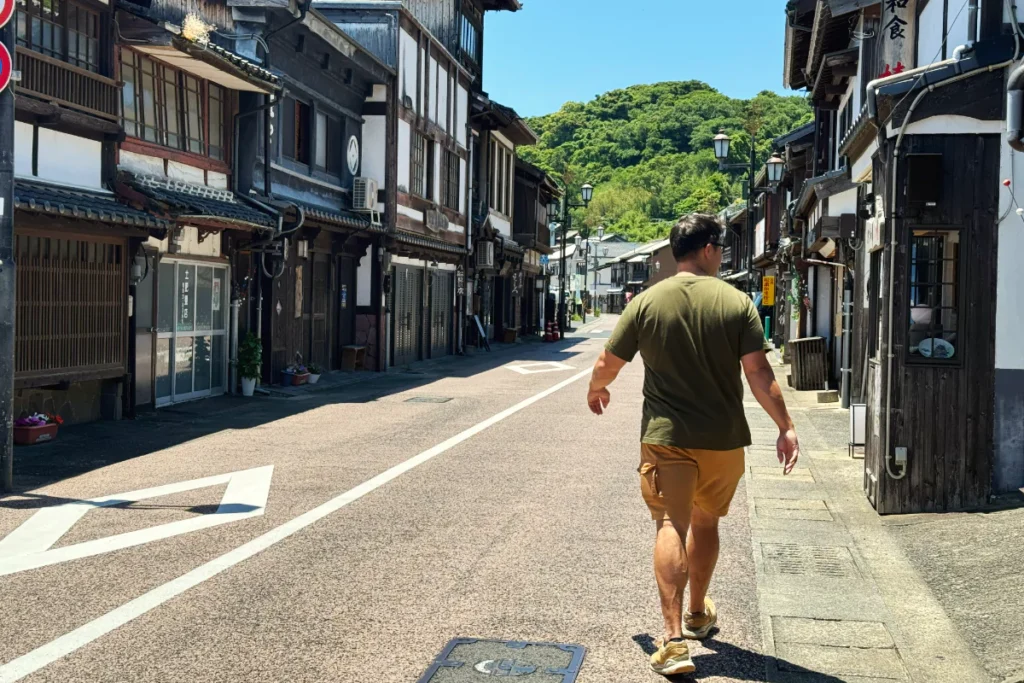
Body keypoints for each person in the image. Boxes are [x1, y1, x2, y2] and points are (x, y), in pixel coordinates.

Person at [586, 214, 800, 676]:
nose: (722, 255)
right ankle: (698, 613)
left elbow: (609, 360)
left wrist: (596, 388)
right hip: (723, 441)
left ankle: (673, 642)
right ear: (706, 250)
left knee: (669, 523)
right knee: (705, 524)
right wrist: (785, 425)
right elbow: (759, 373)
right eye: (720, 248)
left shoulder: (647, 301)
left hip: (668, 439)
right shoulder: (736, 302)